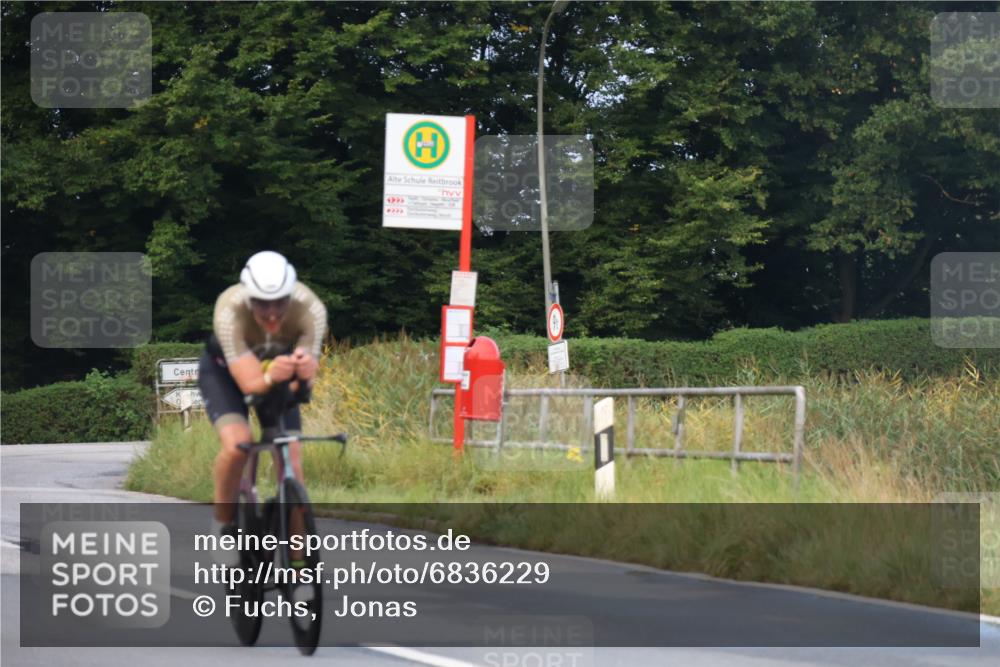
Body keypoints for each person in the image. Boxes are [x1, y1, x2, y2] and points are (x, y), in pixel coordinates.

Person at [198, 251, 327, 552]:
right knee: (237, 444)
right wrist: (273, 377)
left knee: (291, 456)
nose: (271, 313)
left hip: (279, 372)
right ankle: (222, 523)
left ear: (291, 295)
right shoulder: (229, 309)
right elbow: (250, 384)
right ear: (248, 297)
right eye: (261, 304)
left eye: (280, 303)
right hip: (225, 373)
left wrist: (305, 375)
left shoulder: (311, 309)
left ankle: (298, 569)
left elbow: (301, 386)